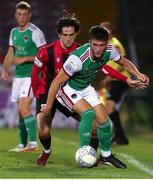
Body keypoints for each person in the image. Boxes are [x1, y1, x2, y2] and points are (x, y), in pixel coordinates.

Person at [31, 12, 139, 166]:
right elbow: (40, 75)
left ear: (76, 35)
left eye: (71, 34)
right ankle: (48, 151)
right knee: (45, 131)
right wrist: (41, 99)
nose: (68, 38)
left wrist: (129, 78)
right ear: (59, 34)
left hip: (80, 88)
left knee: (100, 124)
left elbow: (105, 68)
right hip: (50, 92)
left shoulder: (97, 50)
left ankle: (97, 156)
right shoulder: (54, 53)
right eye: (65, 34)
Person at [1, 1, 47, 152]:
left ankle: (33, 144)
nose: (21, 17)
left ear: (29, 15)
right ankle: (22, 144)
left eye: (25, 14)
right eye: (19, 14)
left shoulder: (35, 32)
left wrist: (26, 58)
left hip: (31, 76)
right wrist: (4, 69)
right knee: (20, 111)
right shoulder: (14, 32)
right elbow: (10, 53)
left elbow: (44, 55)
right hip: (18, 77)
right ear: (15, 15)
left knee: (24, 108)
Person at [99, 21, 131, 145]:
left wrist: (108, 79)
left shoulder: (115, 44)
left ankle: (120, 137)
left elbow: (123, 64)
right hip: (115, 81)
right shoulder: (106, 44)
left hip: (121, 80)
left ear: (109, 31)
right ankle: (120, 137)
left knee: (109, 107)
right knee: (111, 109)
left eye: (103, 29)